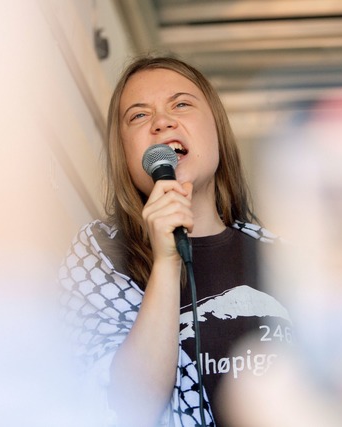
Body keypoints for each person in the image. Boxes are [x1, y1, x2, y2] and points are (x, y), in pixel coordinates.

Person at [58, 55, 292, 427]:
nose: (162, 122)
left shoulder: (285, 260)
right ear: (124, 154)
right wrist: (166, 264)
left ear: (216, 129)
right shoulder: (100, 258)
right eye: (138, 116)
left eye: (181, 104)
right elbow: (125, 405)